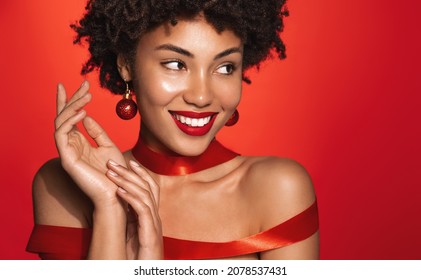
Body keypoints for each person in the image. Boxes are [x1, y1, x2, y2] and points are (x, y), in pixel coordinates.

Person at [27, 0, 319, 260]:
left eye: (226, 67)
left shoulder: (277, 189)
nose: (202, 96)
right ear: (126, 65)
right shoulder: (65, 185)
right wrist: (109, 210)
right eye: (176, 64)